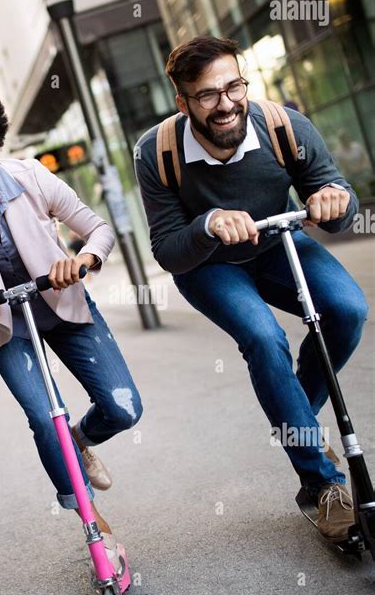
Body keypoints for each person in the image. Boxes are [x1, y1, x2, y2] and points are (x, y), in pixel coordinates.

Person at [134, 36, 369, 543]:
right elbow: (168, 249)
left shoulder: (285, 126)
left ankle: (294, 419)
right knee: (265, 340)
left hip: (278, 244)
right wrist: (209, 223)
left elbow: (336, 196)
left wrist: (335, 200)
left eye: (233, 86)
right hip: (210, 265)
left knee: (348, 309)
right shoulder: (157, 152)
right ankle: (321, 482)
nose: (226, 103)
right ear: (183, 102)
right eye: (207, 95)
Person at [0, 72, 142, 567]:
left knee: (124, 410)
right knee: (44, 419)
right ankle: (95, 527)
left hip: (66, 308)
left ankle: (79, 441)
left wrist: (81, 262)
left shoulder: (32, 177)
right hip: (6, 326)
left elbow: (97, 229)